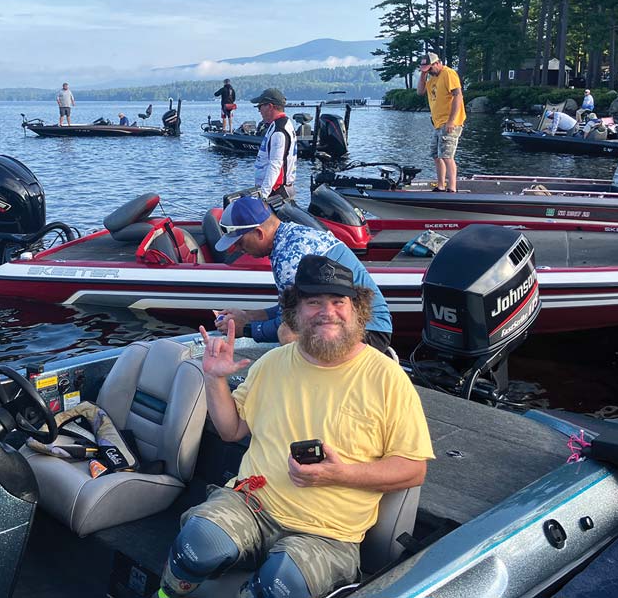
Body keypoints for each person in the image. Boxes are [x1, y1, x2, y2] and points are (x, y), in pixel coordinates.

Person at [161, 254, 431, 597]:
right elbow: (231, 431)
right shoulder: (272, 363)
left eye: (338, 301)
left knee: (280, 584)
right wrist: (214, 379)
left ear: (357, 309)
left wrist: (338, 474)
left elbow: (413, 470)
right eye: (313, 301)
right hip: (251, 505)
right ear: (294, 311)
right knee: (196, 544)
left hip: (327, 535)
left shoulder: (387, 378)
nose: (327, 311)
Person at [212, 196, 394, 353]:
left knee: (288, 332)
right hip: (368, 325)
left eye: (240, 242)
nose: (238, 248)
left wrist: (246, 329)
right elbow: (292, 307)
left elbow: (292, 320)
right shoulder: (290, 235)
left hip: (368, 332)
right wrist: (248, 315)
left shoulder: (289, 258)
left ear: (259, 233)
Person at [417, 52, 464, 192]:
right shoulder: (431, 79)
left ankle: (452, 188)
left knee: (447, 155)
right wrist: (423, 75)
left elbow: (458, 96)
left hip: (450, 122)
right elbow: (420, 92)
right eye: (425, 70)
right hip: (437, 123)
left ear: (437, 63)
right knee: (436, 156)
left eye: (429, 69)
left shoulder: (448, 74)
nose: (429, 72)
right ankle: (441, 185)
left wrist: (451, 121)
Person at [250, 88, 297, 203]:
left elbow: (275, 164)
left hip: (276, 191)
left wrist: (264, 195)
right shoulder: (282, 124)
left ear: (270, 106)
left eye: (260, 106)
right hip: (277, 189)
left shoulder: (279, 131)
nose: (259, 111)